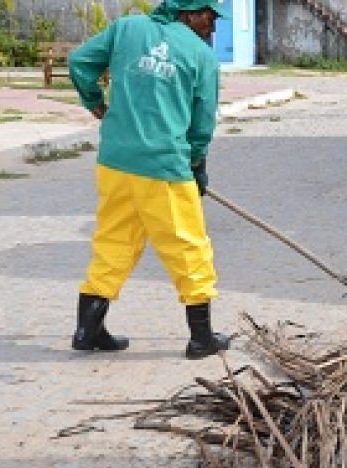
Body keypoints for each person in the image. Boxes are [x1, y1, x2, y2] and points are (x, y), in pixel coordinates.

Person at [68, 0, 231, 360]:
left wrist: (95, 104)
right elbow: (202, 122)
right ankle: (202, 338)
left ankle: (88, 330)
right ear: (188, 12)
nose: (213, 27)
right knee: (188, 247)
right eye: (209, 17)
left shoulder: (127, 29)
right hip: (163, 168)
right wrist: (197, 164)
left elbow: (80, 62)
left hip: (116, 162)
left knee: (113, 240)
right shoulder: (201, 56)